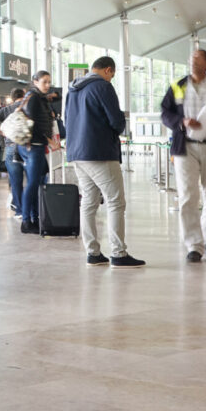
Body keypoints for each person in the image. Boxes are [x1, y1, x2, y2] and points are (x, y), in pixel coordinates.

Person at [65, 56, 144, 268]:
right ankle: (118, 253)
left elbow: (67, 121)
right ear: (108, 70)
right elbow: (116, 122)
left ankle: (92, 252)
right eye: (113, 75)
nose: (111, 79)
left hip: (77, 153)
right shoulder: (103, 87)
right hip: (99, 152)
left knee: (89, 202)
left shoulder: (72, 89)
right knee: (115, 201)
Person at [160, 49, 206, 263]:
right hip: (185, 147)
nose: (192, 61)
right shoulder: (177, 86)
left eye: (198, 59)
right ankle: (193, 245)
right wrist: (181, 122)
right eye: (191, 58)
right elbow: (165, 113)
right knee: (188, 197)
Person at [17, 71, 59, 235]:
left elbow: (58, 97)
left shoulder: (39, 98)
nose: (48, 85)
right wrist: (49, 140)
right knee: (33, 183)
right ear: (35, 82)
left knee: (39, 182)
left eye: (49, 82)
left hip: (37, 146)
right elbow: (33, 124)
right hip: (32, 145)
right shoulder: (33, 98)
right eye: (44, 82)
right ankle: (26, 221)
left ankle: (34, 218)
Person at [0, 88, 27, 215]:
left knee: (16, 180)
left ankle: (19, 210)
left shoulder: (7, 109)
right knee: (32, 180)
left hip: (11, 146)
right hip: (27, 146)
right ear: (23, 95)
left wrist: (2, 132)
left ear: (13, 97)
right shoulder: (28, 107)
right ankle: (30, 210)